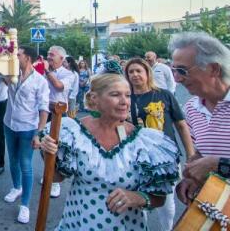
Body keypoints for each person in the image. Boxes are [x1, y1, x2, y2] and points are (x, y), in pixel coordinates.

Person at [39, 71, 180, 230]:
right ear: (94, 99)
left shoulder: (145, 142)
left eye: (127, 95)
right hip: (77, 223)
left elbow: (159, 199)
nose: (124, 102)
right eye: (115, 95)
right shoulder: (74, 132)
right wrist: (48, 152)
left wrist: (138, 198)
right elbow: (56, 178)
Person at [124, 57, 194, 231]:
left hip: (166, 157)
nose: (134, 75)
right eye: (130, 72)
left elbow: (181, 126)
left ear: (147, 73)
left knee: (166, 198)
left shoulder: (164, 95)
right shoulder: (125, 98)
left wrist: (190, 155)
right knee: (139, 197)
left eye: (138, 71)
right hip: (136, 156)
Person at [168, 32, 230, 205]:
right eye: (174, 71)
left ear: (214, 69)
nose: (177, 79)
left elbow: (214, 163)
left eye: (182, 70)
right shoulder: (191, 108)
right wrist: (192, 179)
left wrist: (219, 165)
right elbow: (202, 153)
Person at [2, 46, 50, 224]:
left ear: (27, 58)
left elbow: (44, 109)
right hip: (9, 124)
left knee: (25, 164)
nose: (15, 57)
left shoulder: (40, 81)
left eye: (18, 55)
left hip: (28, 128)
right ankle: (16, 187)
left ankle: (25, 205)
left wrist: (39, 133)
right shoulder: (11, 76)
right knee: (12, 160)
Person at [43, 45, 75, 198]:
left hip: (58, 115)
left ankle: (55, 181)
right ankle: (48, 173)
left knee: (56, 148)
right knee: (43, 145)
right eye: (48, 54)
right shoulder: (43, 71)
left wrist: (47, 72)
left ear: (62, 59)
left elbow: (58, 87)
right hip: (44, 112)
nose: (48, 57)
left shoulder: (68, 74)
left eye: (52, 55)